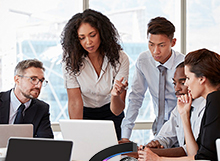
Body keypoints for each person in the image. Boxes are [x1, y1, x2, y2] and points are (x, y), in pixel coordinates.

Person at [138, 48, 220, 161]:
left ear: (202, 79)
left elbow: (204, 160)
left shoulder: (215, 101)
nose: (186, 84)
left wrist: (159, 160)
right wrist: (184, 115)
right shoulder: (212, 101)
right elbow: (195, 154)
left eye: (187, 78)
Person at [61, 9, 129, 140]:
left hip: (111, 113)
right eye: (82, 38)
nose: (88, 42)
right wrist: (76, 136)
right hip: (84, 113)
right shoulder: (70, 62)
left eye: (92, 35)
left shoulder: (121, 58)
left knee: (110, 158)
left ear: (102, 33)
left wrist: (115, 95)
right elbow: (75, 102)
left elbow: (117, 110)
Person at [121, 16, 184, 142]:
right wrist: (125, 136)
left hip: (182, 125)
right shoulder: (144, 60)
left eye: (161, 45)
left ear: (173, 42)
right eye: (151, 44)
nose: (155, 51)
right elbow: (136, 98)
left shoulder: (184, 64)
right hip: (158, 126)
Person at [145, 62, 206, 157]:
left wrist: (150, 153)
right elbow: (166, 136)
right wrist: (155, 143)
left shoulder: (205, 107)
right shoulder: (180, 106)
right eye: (174, 83)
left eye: (183, 83)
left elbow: (193, 151)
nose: (177, 88)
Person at [0, 59, 54, 138]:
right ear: (17, 80)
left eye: (41, 81)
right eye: (33, 79)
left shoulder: (42, 108)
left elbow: (46, 142)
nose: (38, 86)